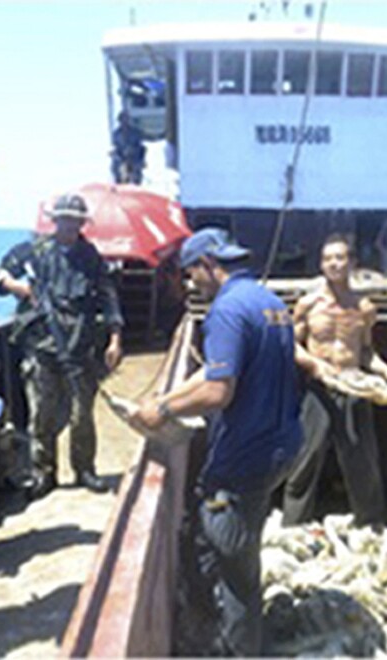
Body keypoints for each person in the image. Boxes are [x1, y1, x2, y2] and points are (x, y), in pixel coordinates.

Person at [131, 227, 302, 656]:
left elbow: (217, 391)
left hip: (246, 456)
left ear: (209, 264)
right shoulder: (270, 302)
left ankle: (237, 649)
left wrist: (163, 412)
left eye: (192, 274)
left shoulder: (226, 311)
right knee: (232, 545)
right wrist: (168, 397)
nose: (191, 284)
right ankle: (231, 633)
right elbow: (215, 373)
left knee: (233, 568)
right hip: (281, 446)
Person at [0, 193, 124, 496]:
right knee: (42, 413)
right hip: (41, 348)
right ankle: (44, 472)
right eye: (64, 219)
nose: (70, 225)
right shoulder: (34, 251)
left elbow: (108, 297)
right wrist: (17, 287)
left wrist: (115, 339)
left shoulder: (90, 257)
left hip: (81, 347)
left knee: (82, 415)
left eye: (76, 220)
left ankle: (84, 469)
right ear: (55, 221)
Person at [281, 233, 387, 527]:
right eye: (328, 259)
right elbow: (290, 345)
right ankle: (292, 527)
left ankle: (370, 524)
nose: (334, 264)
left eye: (340, 258)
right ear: (322, 265)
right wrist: (315, 367)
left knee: (362, 461)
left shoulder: (364, 308)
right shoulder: (308, 304)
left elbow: (365, 352)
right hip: (319, 387)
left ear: (352, 263)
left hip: (354, 386)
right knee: (305, 459)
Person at [110, 110, 146, 184]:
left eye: (126, 119)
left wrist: (132, 151)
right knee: (118, 166)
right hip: (121, 158)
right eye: (122, 119)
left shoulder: (135, 132)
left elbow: (140, 146)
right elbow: (116, 147)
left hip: (134, 157)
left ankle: (136, 181)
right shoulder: (116, 134)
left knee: (135, 170)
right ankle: (120, 182)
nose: (124, 121)